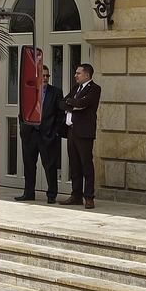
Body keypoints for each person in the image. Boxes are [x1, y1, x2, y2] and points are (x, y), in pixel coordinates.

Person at [15, 63, 62, 204]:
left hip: (47, 134)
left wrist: (55, 132)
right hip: (30, 134)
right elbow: (22, 112)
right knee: (29, 165)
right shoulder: (29, 91)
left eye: (47, 76)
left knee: (49, 166)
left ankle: (52, 194)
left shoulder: (56, 92)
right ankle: (28, 192)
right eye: (43, 76)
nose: (46, 78)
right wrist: (22, 128)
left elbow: (60, 115)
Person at [60, 62, 101, 209]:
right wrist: (73, 104)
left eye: (78, 73)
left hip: (84, 132)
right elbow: (62, 103)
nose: (75, 75)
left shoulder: (94, 89)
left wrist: (74, 103)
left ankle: (89, 196)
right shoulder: (76, 88)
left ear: (87, 75)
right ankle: (75, 195)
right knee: (74, 164)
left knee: (86, 164)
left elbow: (84, 103)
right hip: (72, 131)